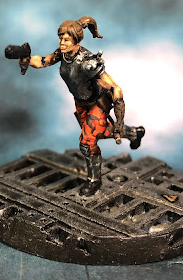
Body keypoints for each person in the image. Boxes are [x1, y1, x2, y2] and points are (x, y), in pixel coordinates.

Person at [19, 16, 145, 196]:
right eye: (60, 38)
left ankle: (94, 180)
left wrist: (120, 120)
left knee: (87, 143)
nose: (62, 42)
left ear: (76, 40)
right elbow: (44, 61)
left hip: (97, 103)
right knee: (101, 132)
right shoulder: (63, 54)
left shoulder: (88, 63)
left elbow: (115, 89)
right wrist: (28, 60)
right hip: (81, 102)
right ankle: (134, 133)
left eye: (66, 39)